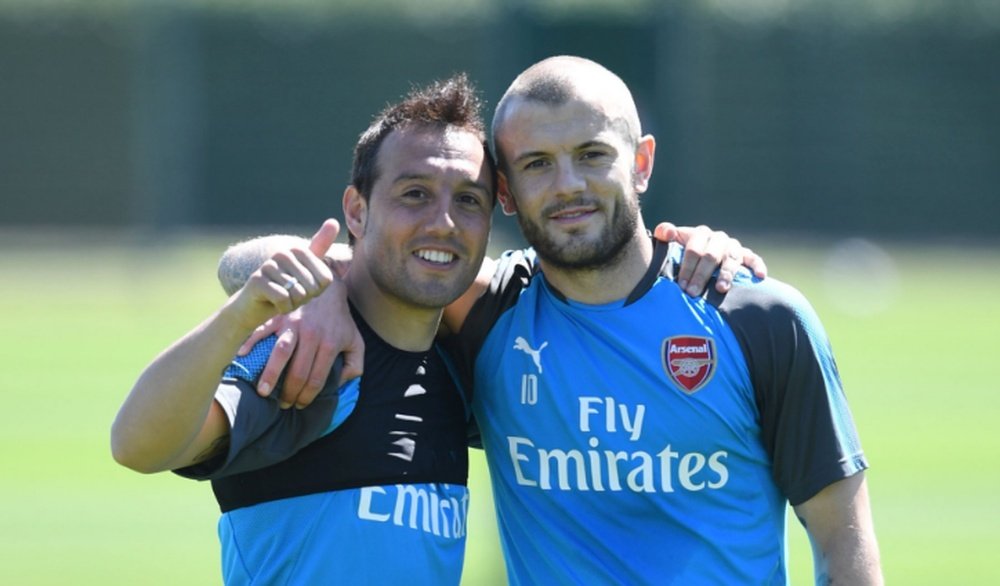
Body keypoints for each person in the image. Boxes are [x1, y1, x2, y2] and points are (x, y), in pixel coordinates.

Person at [264, 56, 883, 584]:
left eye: (592, 156)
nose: (568, 187)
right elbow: (292, 261)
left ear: (640, 162)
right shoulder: (486, 312)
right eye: (536, 164)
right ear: (505, 192)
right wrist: (320, 284)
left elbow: (844, 545)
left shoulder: (760, 318)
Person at [112, 75, 494, 584]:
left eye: (468, 200)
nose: (444, 222)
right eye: (415, 193)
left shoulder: (460, 370)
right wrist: (242, 315)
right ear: (357, 211)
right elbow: (136, 445)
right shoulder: (307, 352)